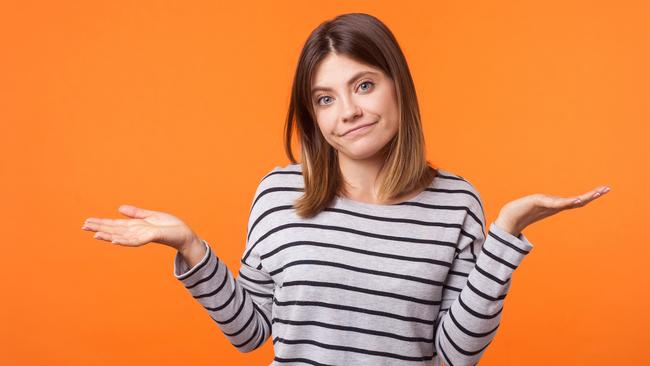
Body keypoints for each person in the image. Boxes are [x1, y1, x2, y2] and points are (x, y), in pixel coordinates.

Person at [81, 13, 610, 366]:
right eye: (325, 98)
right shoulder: (278, 193)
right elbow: (250, 333)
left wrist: (505, 239)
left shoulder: (457, 202)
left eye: (363, 85)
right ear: (312, 115)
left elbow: (454, 355)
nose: (349, 111)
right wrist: (192, 249)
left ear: (397, 85)